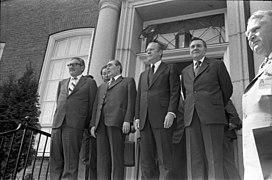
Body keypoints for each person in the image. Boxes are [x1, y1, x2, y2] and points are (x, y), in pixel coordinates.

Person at [181, 37, 233, 179]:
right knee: (195, 158)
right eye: (192, 47)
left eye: (198, 46)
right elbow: (186, 94)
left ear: (205, 49)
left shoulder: (216, 65)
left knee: (214, 157)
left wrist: (214, 106)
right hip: (191, 118)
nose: (195, 48)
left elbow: (227, 89)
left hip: (212, 116)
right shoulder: (185, 71)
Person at [134, 40, 180, 179]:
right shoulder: (143, 74)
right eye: (147, 50)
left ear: (160, 52)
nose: (148, 52)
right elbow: (139, 97)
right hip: (144, 120)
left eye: (151, 49)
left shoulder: (170, 68)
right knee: (146, 160)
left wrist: (171, 112)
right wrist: (137, 117)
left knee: (165, 159)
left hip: (162, 119)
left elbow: (175, 92)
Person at [50, 57, 97, 180]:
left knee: (71, 159)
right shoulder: (62, 82)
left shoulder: (89, 83)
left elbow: (92, 105)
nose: (71, 67)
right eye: (69, 65)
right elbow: (59, 102)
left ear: (82, 67)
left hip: (75, 125)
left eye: (75, 64)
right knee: (55, 157)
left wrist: (88, 124)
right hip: (58, 123)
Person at [90, 59, 137, 179]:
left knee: (117, 158)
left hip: (117, 122)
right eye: (107, 66)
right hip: (100, 125)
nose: (108, 68)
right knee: (102, 159)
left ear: (118, 68)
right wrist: (92, 125)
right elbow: (96, 106)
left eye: (110, 65)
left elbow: (132, 102)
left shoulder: (128, 81)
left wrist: (128, 120)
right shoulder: (102, 86)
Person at [243, 10, 272, 179]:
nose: (251, 37)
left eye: (256, 29)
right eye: (247, 35)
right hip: (260, 150)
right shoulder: (264, 66)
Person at [223, 99, 242, 180]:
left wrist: (229, 126)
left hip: (225, 134)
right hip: (224, 134)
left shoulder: (222, 97)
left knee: (227, 161)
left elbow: (234, 115)